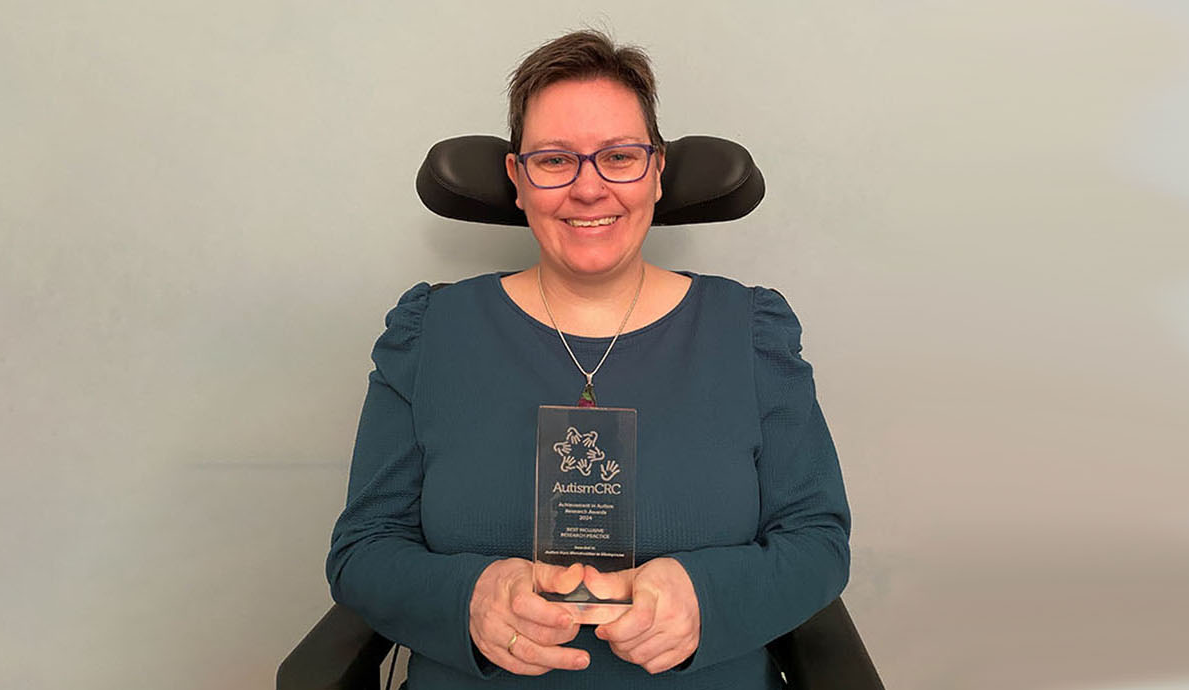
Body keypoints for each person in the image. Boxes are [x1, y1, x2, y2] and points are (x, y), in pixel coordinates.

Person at [326, 29, 850, 689]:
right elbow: (363, 550)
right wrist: (471, 597)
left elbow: (818, 541)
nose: (589, 188)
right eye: (553, 160)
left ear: (657, 172)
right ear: (517, 180)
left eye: (620, 157)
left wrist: (704, 596)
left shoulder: (750, 334)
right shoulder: (430, 334)